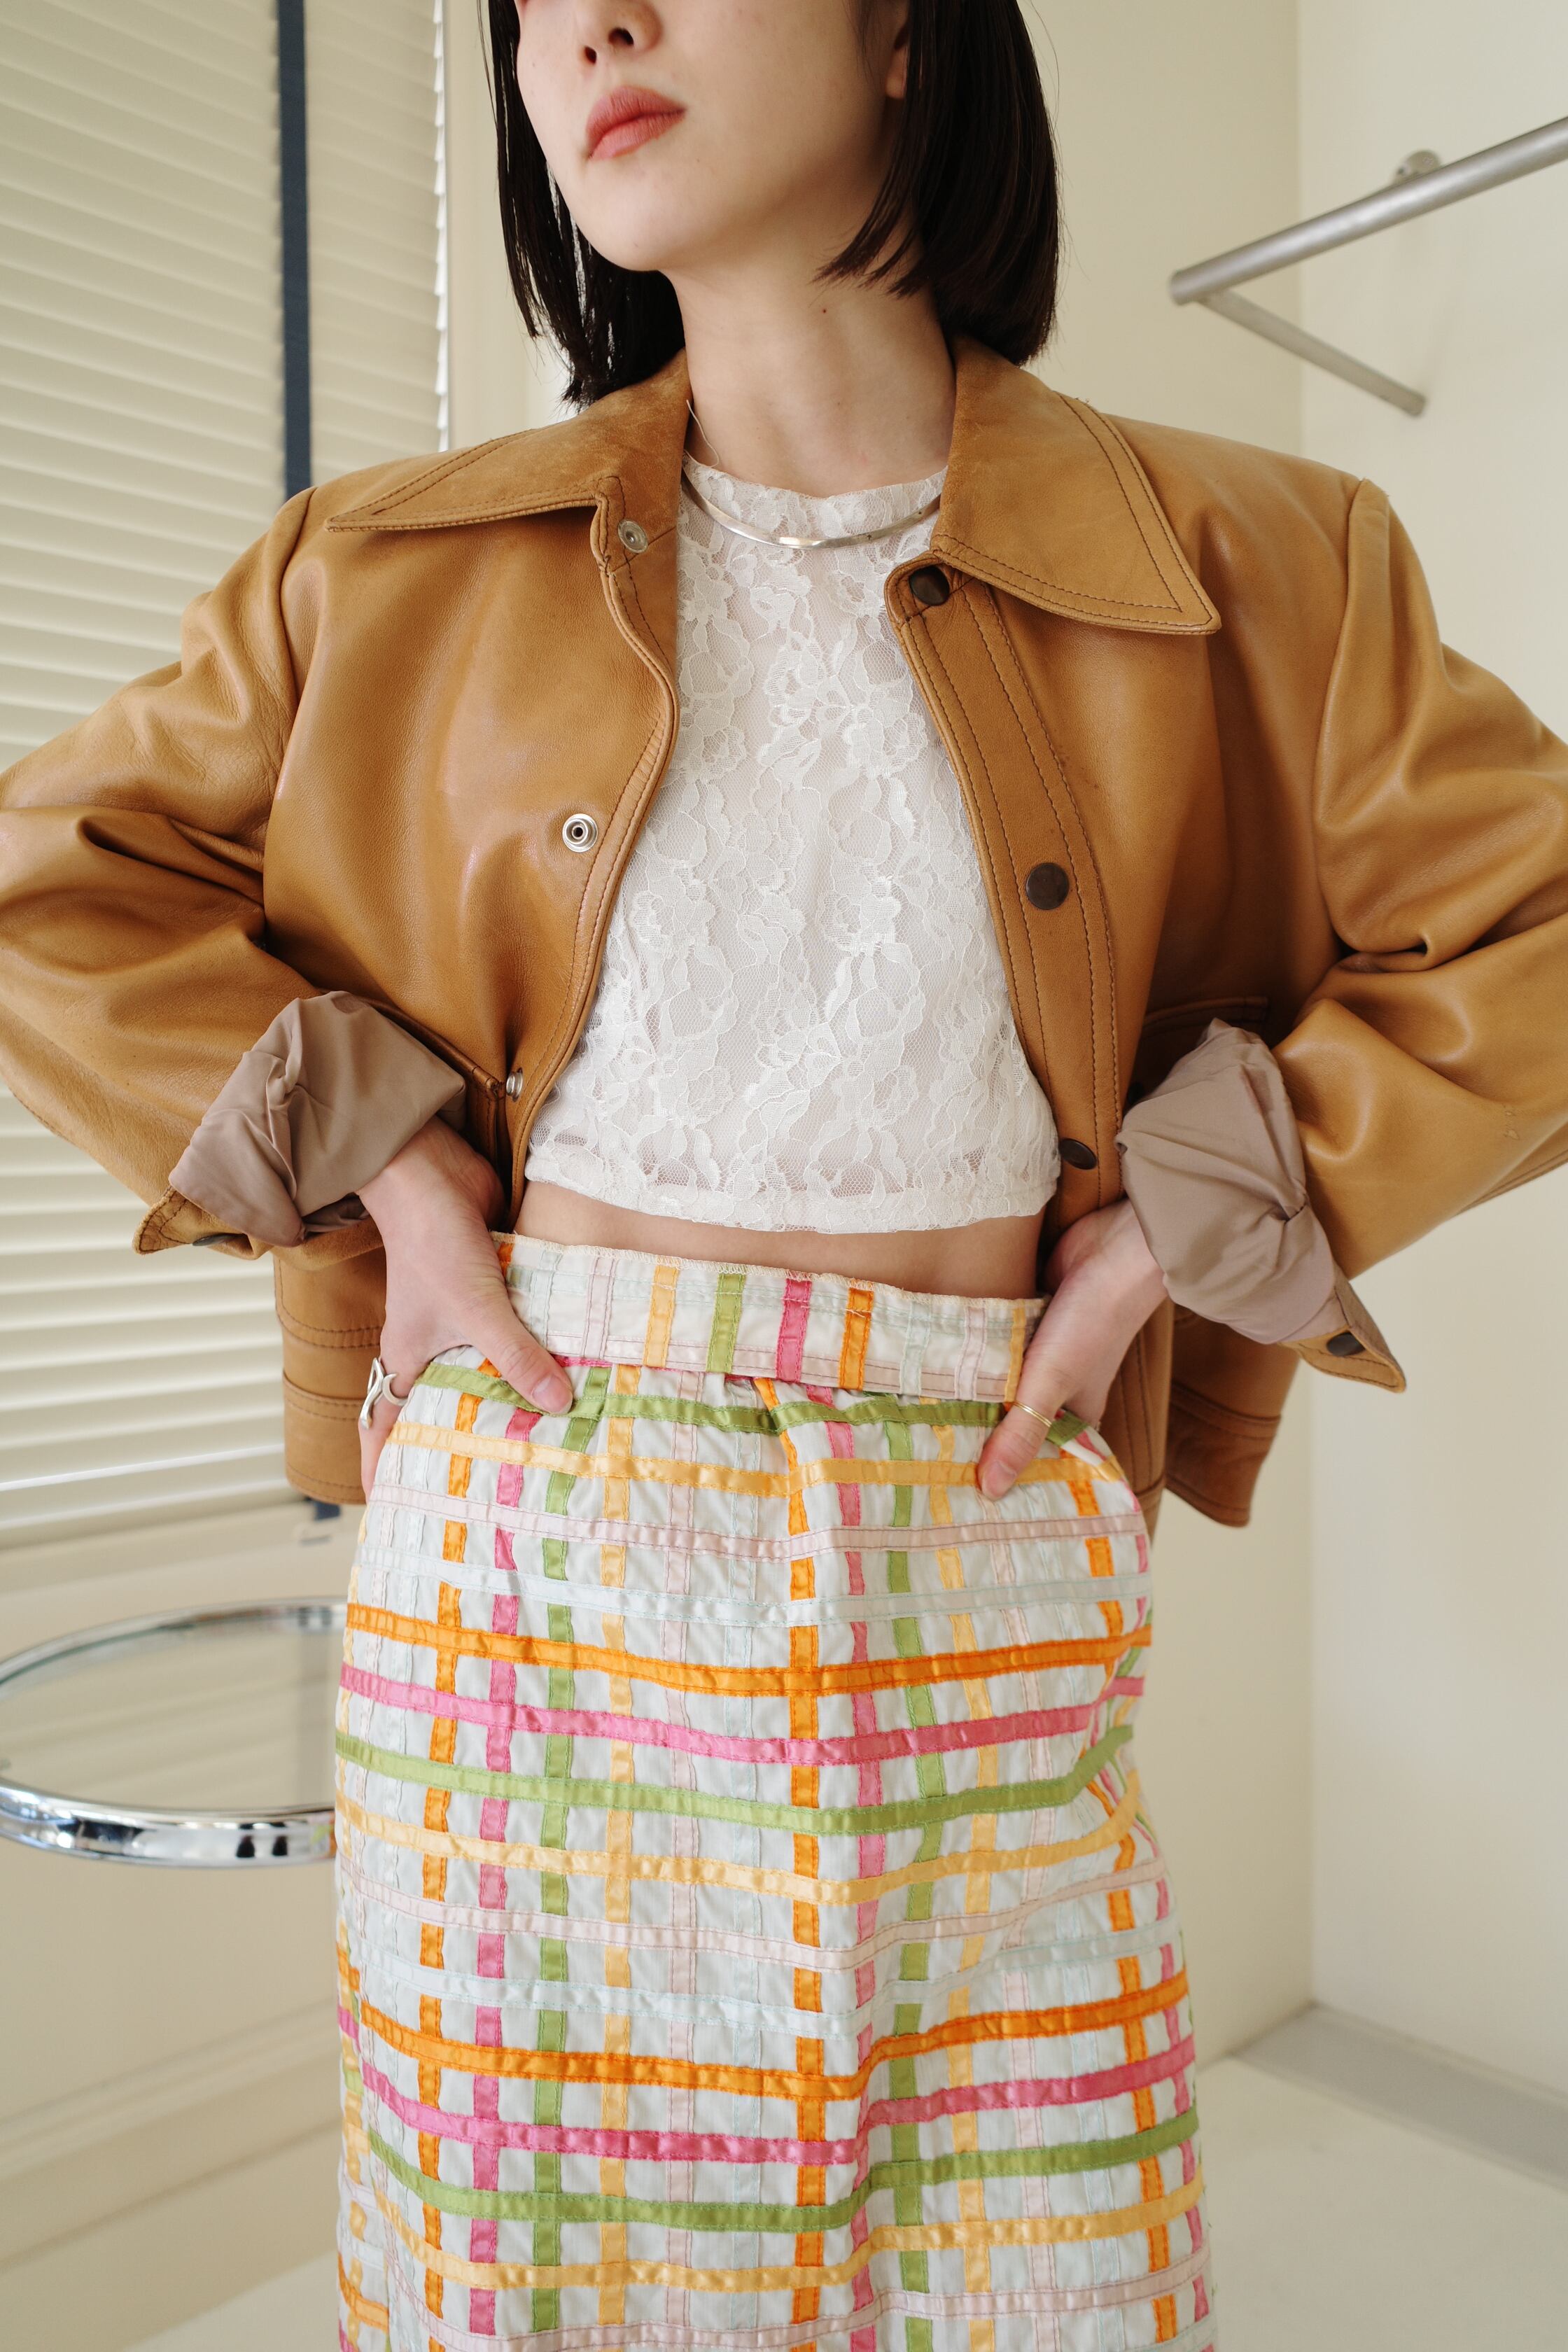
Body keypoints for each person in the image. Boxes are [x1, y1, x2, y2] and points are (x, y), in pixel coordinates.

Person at [1, 3, 1564, 2346]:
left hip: (981, 1500)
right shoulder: (384, 568)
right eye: (529, 6)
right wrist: (388, 1163)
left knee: (1037, 2277)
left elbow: (1537, 930)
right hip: (531, 1536)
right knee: (534, 2293)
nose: (585, 31)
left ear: (903, 27)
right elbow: (51, 889)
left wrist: (1189, 1213)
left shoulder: (1265, 558)